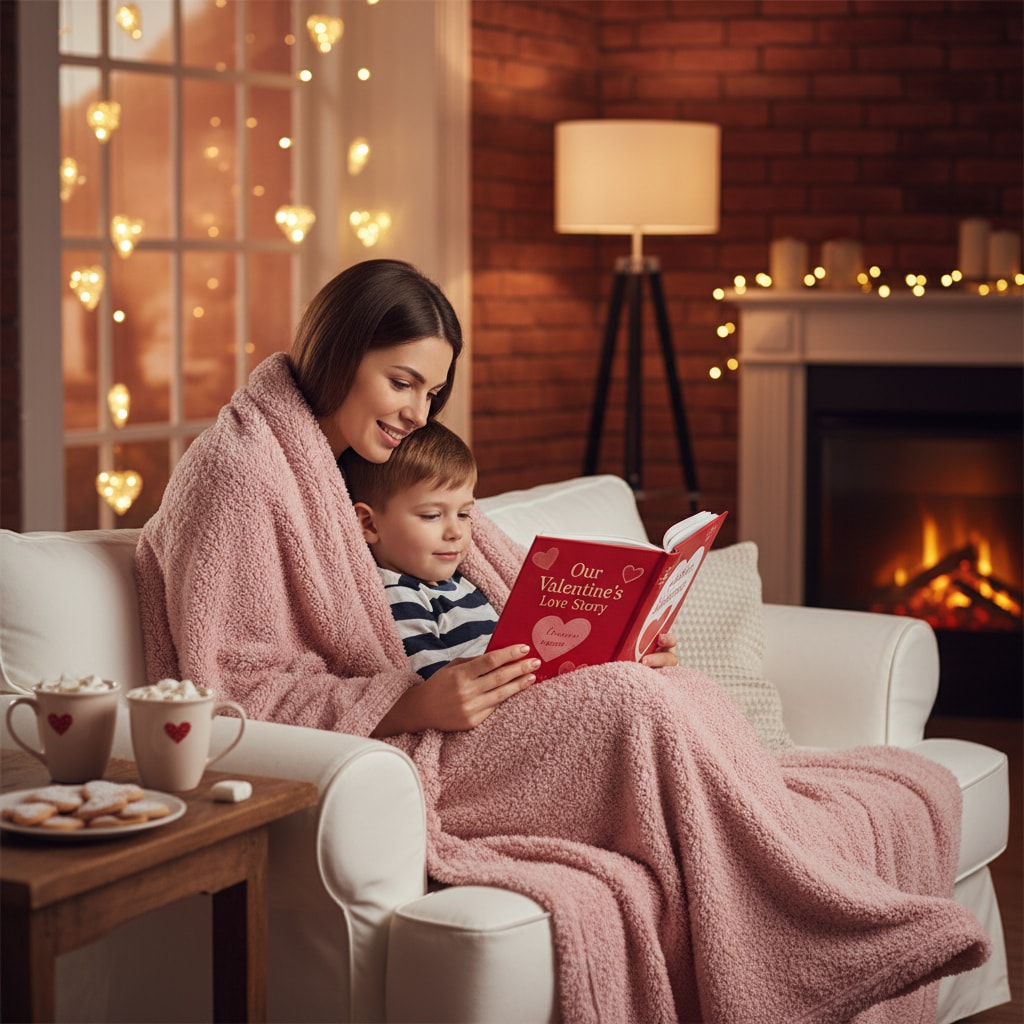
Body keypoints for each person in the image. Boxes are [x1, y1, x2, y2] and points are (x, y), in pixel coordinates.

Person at [135, 258, 987, 1024]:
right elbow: (231, 695)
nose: (416, 413)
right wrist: (408, 702)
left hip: (468, 711)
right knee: (633, 704)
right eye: (401, 382)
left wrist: (621, 636)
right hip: (400, 749)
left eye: (433, 393)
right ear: (340, 353)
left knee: (668, 686)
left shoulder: (355, 456)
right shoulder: (241, 472)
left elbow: (496, 586)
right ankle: (821, 941)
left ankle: (801, 875)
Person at [341, 420, 499, 680]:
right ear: (369, 524)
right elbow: (437, 685)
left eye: (463, 514)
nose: (456, 532)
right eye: (431, 515)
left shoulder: (460, 582)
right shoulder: (399, 597)